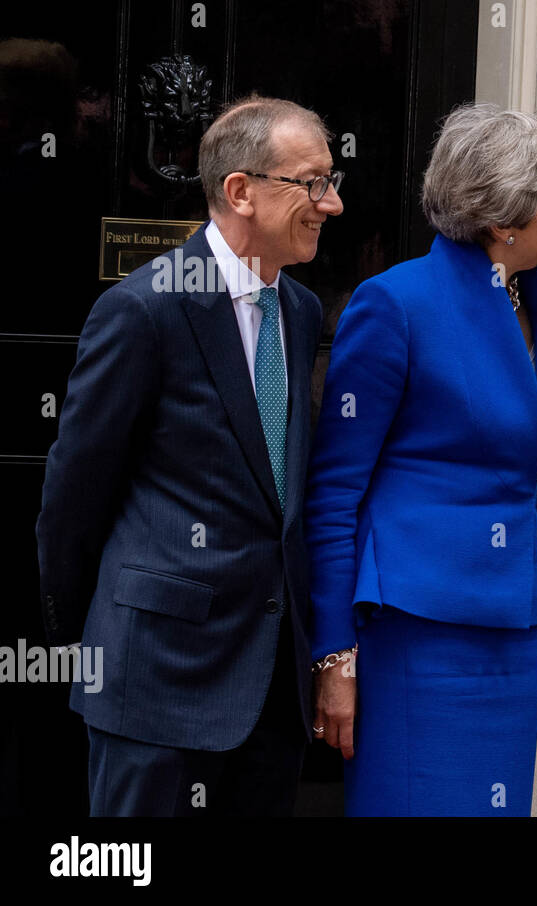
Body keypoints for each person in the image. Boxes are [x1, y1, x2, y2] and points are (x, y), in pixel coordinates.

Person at [35, 96, 343, 815]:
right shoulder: (145, 310)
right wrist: (101, 639)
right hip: (155, 682)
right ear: (240, 191)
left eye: (333, 181)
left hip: (269, 689)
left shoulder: (297, 311)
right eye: (311, 183)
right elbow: (71, 502)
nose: (330, 204)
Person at [307, 103, 537, 816]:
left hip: (511, 629)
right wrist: (335, 655)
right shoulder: (394, 305)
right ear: (502, 219)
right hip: (415, 632)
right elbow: (335, 492)